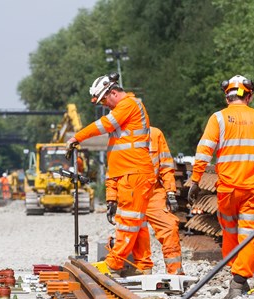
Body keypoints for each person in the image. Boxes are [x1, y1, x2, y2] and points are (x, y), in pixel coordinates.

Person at [189, 75, 254, 299]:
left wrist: (196, 180)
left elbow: (204, 151)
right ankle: (239, 281)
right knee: (248, 233)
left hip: (227, 188)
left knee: (229, 231)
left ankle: (236, 276)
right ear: (250, 95)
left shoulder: (218, 119)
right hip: (252, 187)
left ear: (227, 96)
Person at [66, 72, 156, 276]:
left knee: (128, 221)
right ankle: (144, 265)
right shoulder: (127, 109)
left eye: (104, 100)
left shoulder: (128, 105)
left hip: (134, 173)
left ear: (113, 92)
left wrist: (76, 138)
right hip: (131, 173)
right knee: (137, 223)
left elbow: (103, 125)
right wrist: (112, 193)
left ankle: (114, 264)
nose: (105, 105)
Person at [145, 127, 183, 275]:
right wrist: (111, 198)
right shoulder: (120, 135)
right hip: (130, 195)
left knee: (170, 228)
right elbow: (114, 171)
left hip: (154, 193)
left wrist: (170, 192)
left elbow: (166, 166)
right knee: (133, 235)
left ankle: (175, 274)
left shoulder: (155, 134)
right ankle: (142, 273)